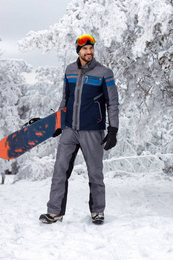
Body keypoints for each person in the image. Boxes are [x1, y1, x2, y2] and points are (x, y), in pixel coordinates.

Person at [39, 34, 119, 225]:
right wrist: (59, 122)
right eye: (85, 49)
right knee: (60, 170)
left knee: (95, 172)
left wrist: (113, 129)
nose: (89, 52)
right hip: (70, 129)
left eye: (91, 48)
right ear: (78, 50)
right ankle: (54, 212)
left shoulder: (104, 72)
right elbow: (66, 99)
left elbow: (113, 103)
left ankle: (98, 211)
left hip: (93, 130)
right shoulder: (70, 70)